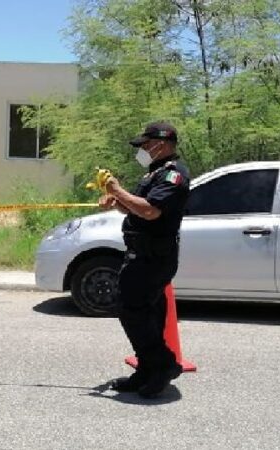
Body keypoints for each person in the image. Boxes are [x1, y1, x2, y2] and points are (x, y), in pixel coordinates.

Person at [98, 121, 191, 398]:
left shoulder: (173, 176)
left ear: (160, 144)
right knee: (145, 314)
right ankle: (148, 369)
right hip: (141, 253)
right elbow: (136, 210)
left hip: (154, 256)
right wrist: (117, 202)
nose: (142, 150)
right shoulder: (154, 174)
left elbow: (151, 211)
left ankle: (163, 365)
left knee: (132, 311)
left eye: (145, 145)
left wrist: (117, 190)